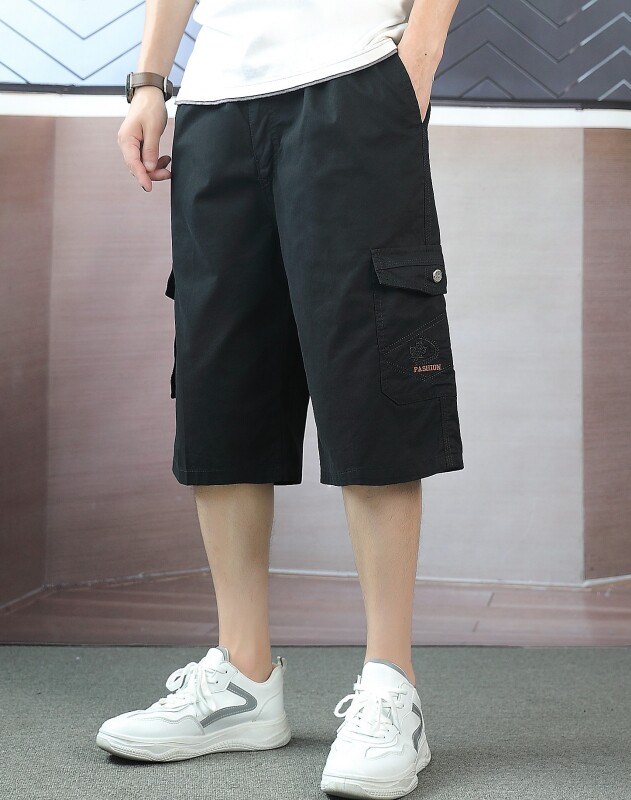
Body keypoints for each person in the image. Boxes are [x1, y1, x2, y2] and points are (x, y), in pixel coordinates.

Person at [98, 0, 462, 796]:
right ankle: (242, 680)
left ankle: (390, 687)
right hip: (215, 103)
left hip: (353, 80)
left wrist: (422, 51)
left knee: (370, 378)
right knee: (220, 387)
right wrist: (150, 81)